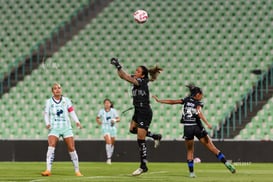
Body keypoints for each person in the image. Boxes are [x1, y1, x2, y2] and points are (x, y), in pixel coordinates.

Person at [152, 84, 236, 178]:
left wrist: (159, 100)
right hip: (197, 127)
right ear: (197, 95)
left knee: (190, 151)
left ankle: (191, 173)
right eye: (201, 94)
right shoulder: (198, 103)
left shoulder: (186, 100)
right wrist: (207, 123)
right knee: (212, 148)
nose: (202, 96)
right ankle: (226, 163)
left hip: (187, 127)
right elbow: (199, 112)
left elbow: (173, 101)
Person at [110, 57, 163, 176]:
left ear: (143, 75)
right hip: (138, 111)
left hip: (144, 112)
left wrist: (118, 66)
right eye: (136, 70)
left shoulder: (142, 82)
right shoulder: (138, 79)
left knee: (140, 139)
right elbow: (122, 76)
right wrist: (118, 67)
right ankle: (155, 136)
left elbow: (127, 77)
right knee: (132, 130)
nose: (136, 72)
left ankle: (143, 166)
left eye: (138, 71)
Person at [41, 83, 83, 177]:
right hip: (54, 127)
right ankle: (48, 170)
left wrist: (77, 121)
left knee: (71, 148)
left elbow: (71, 112)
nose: (57, 90)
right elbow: (46, 114)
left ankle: (77, 170)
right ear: (52, 91)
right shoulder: (49, 102)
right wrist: (47, 123)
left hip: (66, 127)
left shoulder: (66, 100)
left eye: (59, 88)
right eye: (55, 88)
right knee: (51, 146)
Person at [96, 98, 120, 164]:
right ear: (104, 104)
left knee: (112, 143)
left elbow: (118, 119)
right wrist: (99, 122)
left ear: (110, 104)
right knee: (108, 142)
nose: (107, 104)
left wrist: (114, 120)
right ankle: (108, 158)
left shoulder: (113, 111)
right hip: (105, 127)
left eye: (108, 103)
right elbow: (97, 118)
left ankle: (110, 156)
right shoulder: (101, 111)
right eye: (105, 103)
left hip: (112, 127)